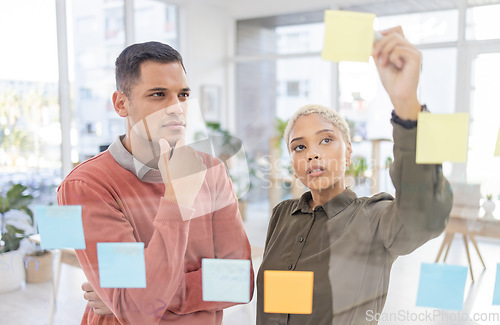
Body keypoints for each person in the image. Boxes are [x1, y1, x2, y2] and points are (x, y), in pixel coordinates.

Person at [256, 27, 453, 324]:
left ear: (348, 152)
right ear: (293, 162)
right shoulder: (282, 216)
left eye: (325, 140)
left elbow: (425, 215)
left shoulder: (375, 219)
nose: (312, 153)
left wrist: (407, 107)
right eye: (299, 146)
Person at [57, 41, 254, 324]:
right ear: (121, 104)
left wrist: (132, 295)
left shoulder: (212, 171)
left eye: (183, 94)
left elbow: (240, 280)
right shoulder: (87, 186)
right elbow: (138, 311)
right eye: (158, 94)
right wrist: (177, 200)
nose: (176, 108)